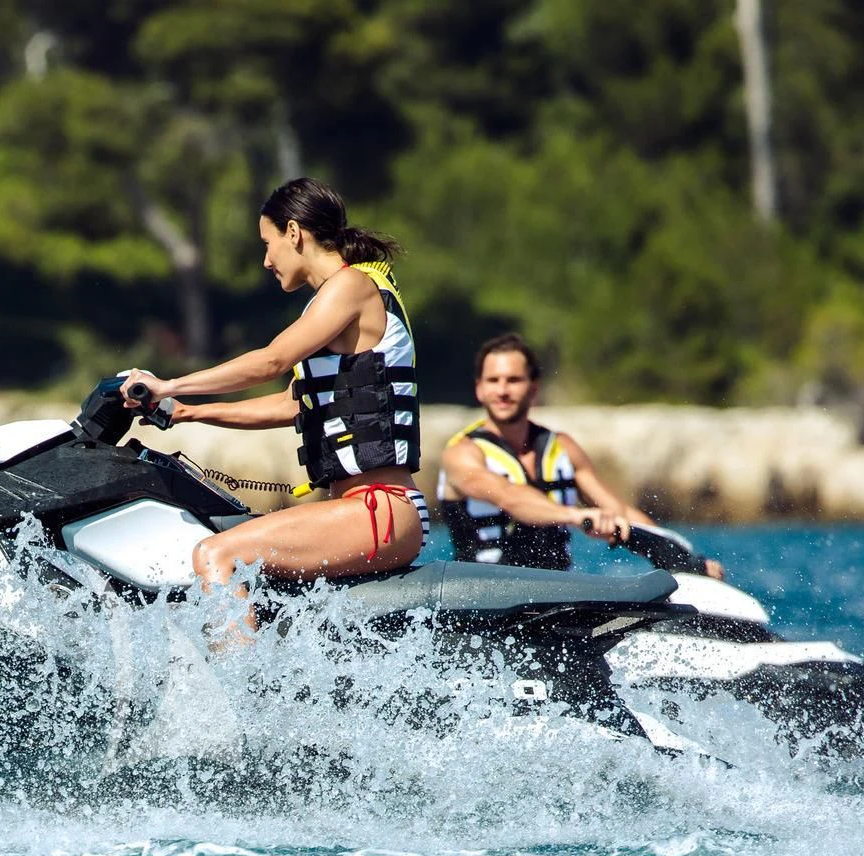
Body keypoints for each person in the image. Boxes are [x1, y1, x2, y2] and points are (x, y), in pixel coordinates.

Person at [120, 178, 427, 600]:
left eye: (268, 244)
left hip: (378, 509)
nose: (266, 261)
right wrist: (186, 411)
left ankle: (233, 651)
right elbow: (290, 405)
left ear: (294, 233)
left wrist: (168, 383)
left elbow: (272, 361)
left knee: (216, 555)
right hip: (367, 510)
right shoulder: (340, 296)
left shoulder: (351, 286)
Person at [437, 333, 724, 578]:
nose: (502, 391)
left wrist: (684, 559)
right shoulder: (462, 454)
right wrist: (576, 516)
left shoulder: (562, 448)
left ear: (533, 388)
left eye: (513, 380)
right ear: (479, 389)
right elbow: (508, 496)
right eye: (493, 380)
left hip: (560, 593)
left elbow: (620, 514)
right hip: (484, 596)